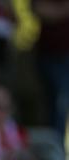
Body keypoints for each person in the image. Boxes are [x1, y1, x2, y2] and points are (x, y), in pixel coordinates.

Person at [32, 0, 69, 138]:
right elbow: (38, 8)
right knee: (53, 105)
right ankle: (53, 145)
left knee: (61, 104)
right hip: (49, 54)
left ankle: (57, 145)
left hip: (65, 55)